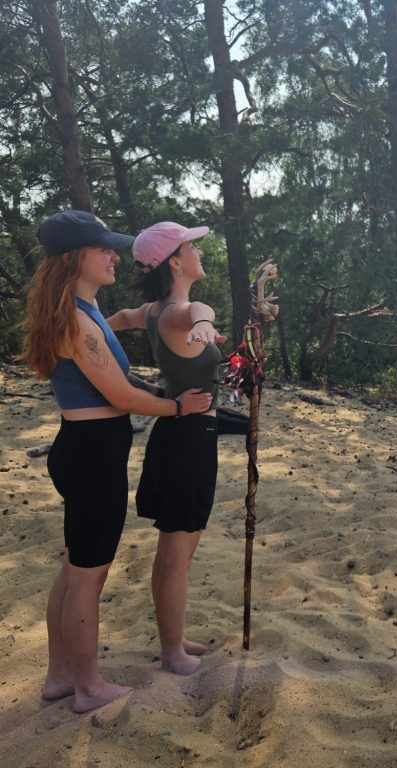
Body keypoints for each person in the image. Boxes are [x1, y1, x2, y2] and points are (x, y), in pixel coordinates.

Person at [20, 210, 213, 714]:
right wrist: (175, 406)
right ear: (71, 259)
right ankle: (87, 686)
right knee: (88, 574)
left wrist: (156, 390)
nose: (113, 256)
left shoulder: (84, 310)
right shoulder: (78, 321)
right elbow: (120, 396)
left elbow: (117, 388)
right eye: (102, 249)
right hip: (92, 455)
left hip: (85, 447)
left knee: (73, 568)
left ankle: (60, 675)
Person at [108, 221, 225, 675]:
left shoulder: (153, 310)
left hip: (175, 436)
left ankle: (173, 640)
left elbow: (117, 320)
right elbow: (199, 311)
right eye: (191, 246)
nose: (198, 251)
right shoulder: (179, 310)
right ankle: (173, 653)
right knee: (178, 556)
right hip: (190, 440)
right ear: (175, 261)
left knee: (169, 552)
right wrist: (202, 325)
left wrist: (85, 334)